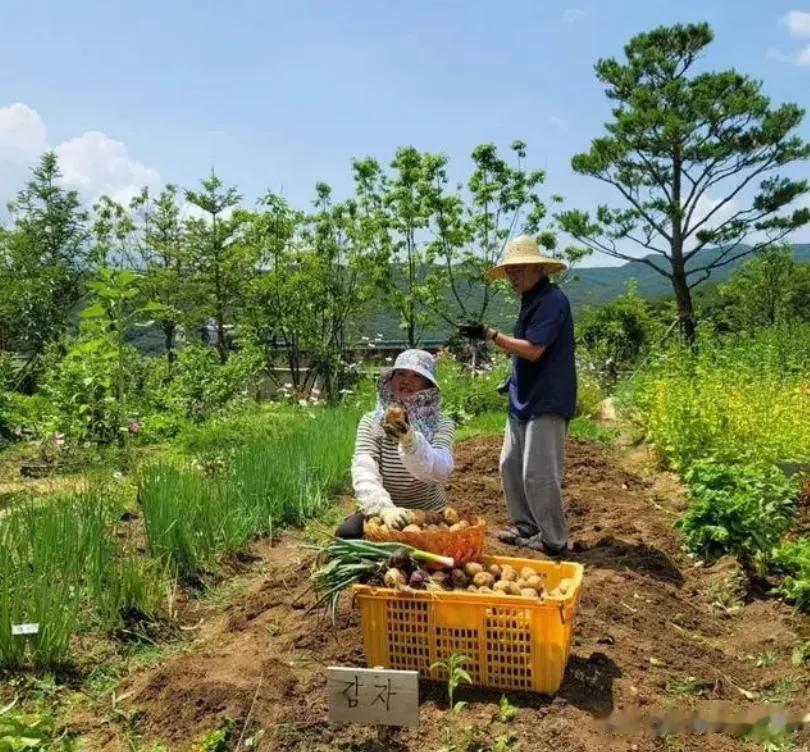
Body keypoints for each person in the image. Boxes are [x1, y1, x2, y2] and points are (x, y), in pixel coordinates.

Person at [459, 235, 576, 556]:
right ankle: (526, 527)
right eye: (510, 271)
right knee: (509, 464)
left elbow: (535, 351)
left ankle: (552, 539)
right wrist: (511, 379)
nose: (513, 276)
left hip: (547, 400)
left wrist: (490, 335)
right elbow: (526, 353)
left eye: (519, 269)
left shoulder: (553, 300)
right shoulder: (530, 300)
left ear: (539, 267)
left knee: (538, 474)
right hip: (522, 397)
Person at [336, 349, 455, 539]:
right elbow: (364, 467)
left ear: (428, 384)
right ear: (390, 379)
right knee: (346, 533)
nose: (406, 380)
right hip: (387, 511)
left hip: (429, 513)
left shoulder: (442, 424)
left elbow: (440, 470)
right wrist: (383, 508)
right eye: (400, 373)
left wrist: (411, 442)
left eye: (416, 376)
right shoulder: (372, 421)